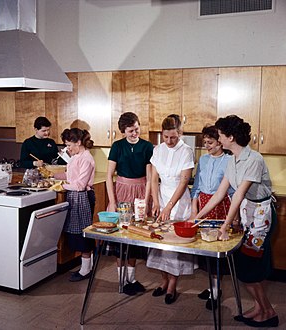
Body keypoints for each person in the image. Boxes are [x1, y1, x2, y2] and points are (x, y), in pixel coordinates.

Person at [194, 115, 279, 327]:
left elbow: (239, 194)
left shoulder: (254, 160)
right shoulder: (232, 159)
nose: (219, 139)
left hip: (261, 218)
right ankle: (260, 307)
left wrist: (225, 225)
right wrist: (196, 216)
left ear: (230, 137)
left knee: (249, 267)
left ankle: (268, 313)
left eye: (221, 135)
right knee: (248, 267)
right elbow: (220, 194)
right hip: (248, 213)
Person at [146, 114, 195, 305]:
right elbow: (154, 177)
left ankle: (172, 285)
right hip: (162, 197)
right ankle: (163, 280)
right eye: (165, 137)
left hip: (178, 201)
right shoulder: (158, 149)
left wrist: (168, 207)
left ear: (180, 133)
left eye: (173, 137)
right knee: (160, 244)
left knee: (173, 247)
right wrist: (156, 201)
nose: (169, 141)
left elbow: (183, 182)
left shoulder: (186, 151)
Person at [106, 112, 153, 296]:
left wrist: (146, 201)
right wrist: (112, 201)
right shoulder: (117, 146)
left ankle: (131, 279)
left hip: (140, 191)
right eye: (131, 131)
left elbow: (149, 178)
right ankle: (121, 279)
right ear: (123, 131)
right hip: (122, 190)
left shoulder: (147, 146)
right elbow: (110, 176)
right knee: (120, 236)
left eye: (137, 129)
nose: (135, 133)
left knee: (135, 236)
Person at [190, 125, 234, 310]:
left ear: (220, 143)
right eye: (205, 142)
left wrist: (234, 217)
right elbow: (196, 186)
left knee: (216, 249)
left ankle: (216, 292)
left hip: (220, 206)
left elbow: (232, 191)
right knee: (204, 248)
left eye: (210, 143)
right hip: (203, 205)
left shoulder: (229, 161)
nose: (206, 146)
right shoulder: (204, 160)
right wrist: (194, 210)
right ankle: (212, 286)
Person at [54, 128, 96, 282]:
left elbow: (79, 184)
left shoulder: (86, 158)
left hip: (83, 197)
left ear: (78, 142)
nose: (68, 149)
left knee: (82, 233)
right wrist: (53, 176)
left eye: (69, 145)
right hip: (75, 196)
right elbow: (70, 175)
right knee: (77, 232)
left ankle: (86, 270)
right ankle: (87, 267)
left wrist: (61, 186)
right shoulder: (77, 156)